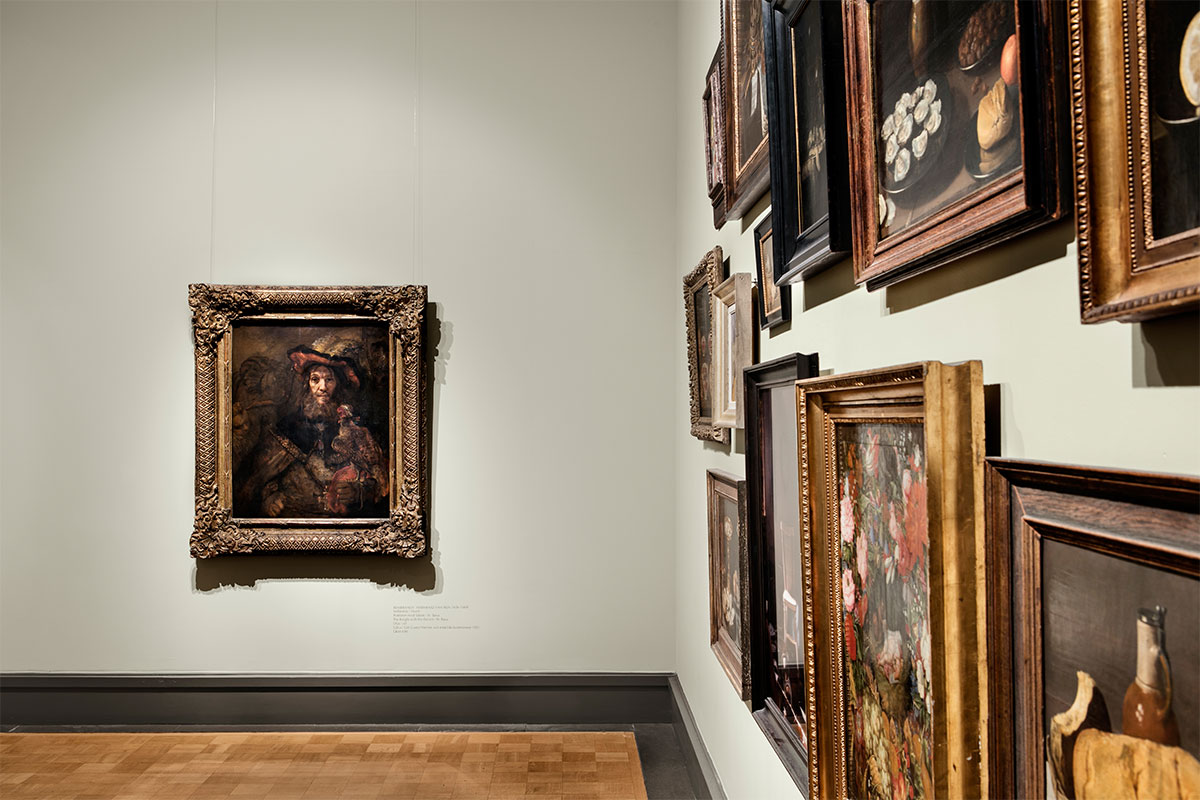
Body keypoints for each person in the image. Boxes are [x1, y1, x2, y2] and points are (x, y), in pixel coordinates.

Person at [233, 346, 387, 518]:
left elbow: (379, 482)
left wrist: (359, 492)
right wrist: (269, 497)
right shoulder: (286, 428)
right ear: (307, 384)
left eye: (329, 380)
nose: (323, 387)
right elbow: (260, 478)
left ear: (337, 385)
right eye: (315, 379)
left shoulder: (354, 430)